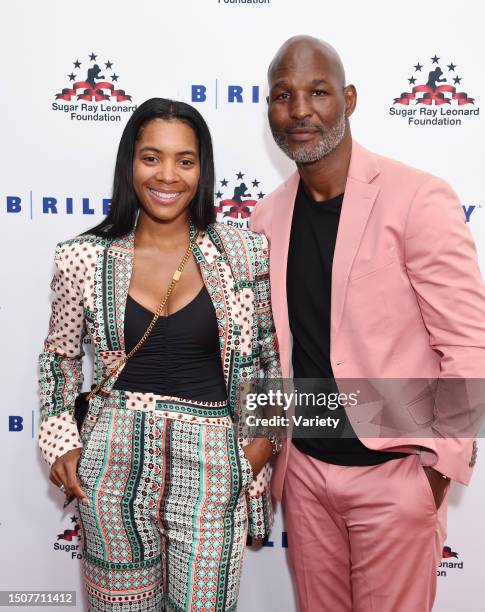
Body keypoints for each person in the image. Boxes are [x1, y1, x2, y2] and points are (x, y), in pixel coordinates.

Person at [250, 36, 485, 612]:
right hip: (304, 477)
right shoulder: (266, 216)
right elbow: (273, 349)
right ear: (270, 109)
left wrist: (438, 471)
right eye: (284, 95)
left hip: (395, 475)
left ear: (348, 99)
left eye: (318, 92)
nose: (300, 109)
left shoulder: (417, 197)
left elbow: (469, 343)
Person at [38, 98, 281, 611]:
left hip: (215, 460)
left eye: (185, 161)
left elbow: (271, 357)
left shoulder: (244, 252)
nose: (167, 175)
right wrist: (60, 442)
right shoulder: (82, 256)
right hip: (113, 463)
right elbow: (59, 358)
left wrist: (260, 444)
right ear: (131, 163)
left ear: (201, 169)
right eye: (152, 157)